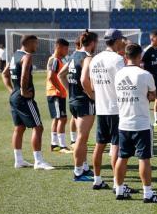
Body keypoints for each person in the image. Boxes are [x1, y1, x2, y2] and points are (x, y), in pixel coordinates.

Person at [114, 43, 157, 203]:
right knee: (144, 159)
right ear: (139, 56)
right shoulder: (145, 74)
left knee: (122, 157)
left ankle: (120, 190)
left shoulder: (118, 74)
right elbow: (153, 95)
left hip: (123, 122)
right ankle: (148, 193)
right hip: (141, 122)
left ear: (126, 56)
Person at [2, 35, 54, 170]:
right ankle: (38, 161)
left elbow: (4, 74)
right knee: (38, 127)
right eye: (35, 44)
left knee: (19, 128)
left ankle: (18, 160)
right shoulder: (27, 56)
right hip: (24, 99)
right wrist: (23, 91)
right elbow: (24, 74)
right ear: (29, 43)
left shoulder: (15, 55)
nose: (36, 46)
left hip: (14, 97)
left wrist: (12, 91)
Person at [89, 29, 127, 191]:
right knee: (116, 146)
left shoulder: (95, 59)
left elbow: (91, 85)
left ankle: (97, 179)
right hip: (116, 108)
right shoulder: (118, 59)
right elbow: (122, 84)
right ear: (117, 40)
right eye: (121, 40)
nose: (123, 42)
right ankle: (117, 183)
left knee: (99, 145)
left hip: (101, 106)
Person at [59, 31, 98, 181]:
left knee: (83, 137)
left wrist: (71, 91)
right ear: (93, 43)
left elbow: (61, 75)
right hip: (83, 103)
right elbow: (83, 80)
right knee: (82, 138)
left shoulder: (74, 55)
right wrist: (91, 95)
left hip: (74, 102)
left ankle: (85, 167)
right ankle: (78, 172)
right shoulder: (88, 58)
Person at [46, 38, 71, 153]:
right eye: (65, 48)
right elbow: (51, 77)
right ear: (59, 47)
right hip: (55, 93)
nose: (67, 51)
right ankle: (61, 146)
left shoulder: (58, 60)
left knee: (58, 118)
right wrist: (58, 89)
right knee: (62, 118)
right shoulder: (55, 60)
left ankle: (54, 144)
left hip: (57, 93)